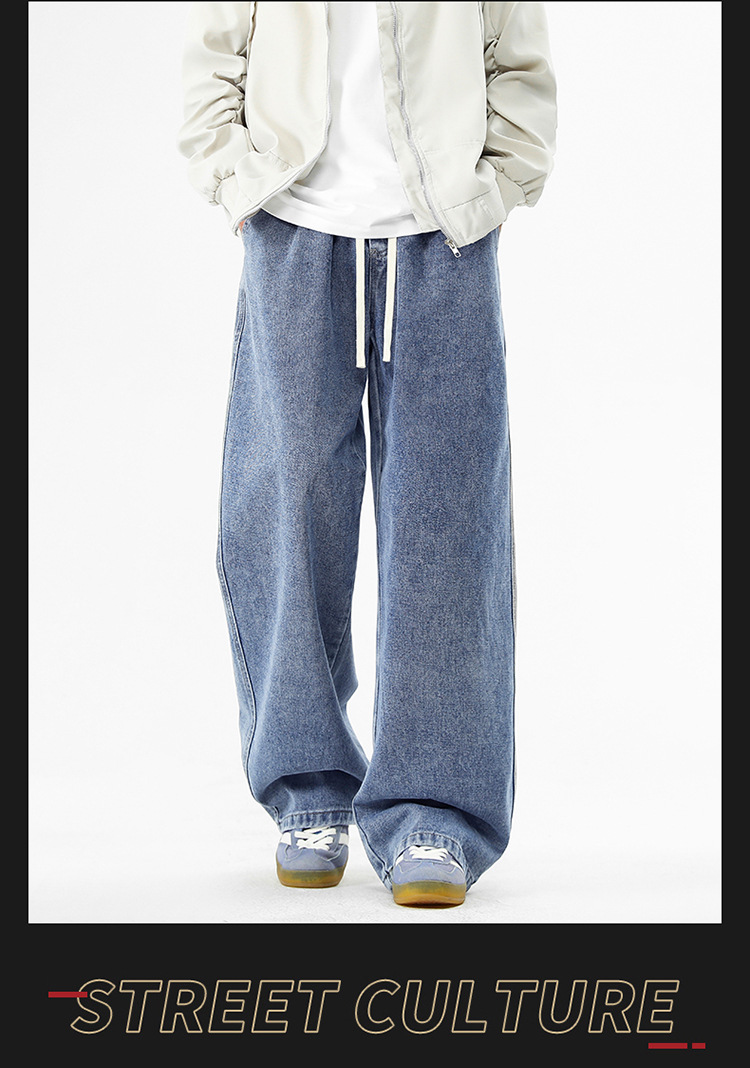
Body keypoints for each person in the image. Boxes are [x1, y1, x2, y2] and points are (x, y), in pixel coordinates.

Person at [178, 1, 556, 908]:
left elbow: (518, 61)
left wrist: (496, 187)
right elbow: (215, 55)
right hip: (293, 229)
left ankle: (435, 811)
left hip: (442, 238)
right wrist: (235, 179)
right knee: (286, 514)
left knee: (446, 532)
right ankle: (307, 790)